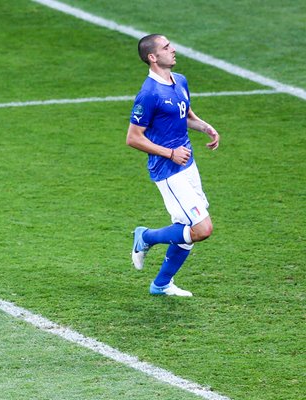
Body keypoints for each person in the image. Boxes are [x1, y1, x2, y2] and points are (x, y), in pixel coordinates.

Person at [126, 34, 220, 297]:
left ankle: (161, 284)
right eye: (166, 48)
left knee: (186, 228)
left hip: (187, 164)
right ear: (153, 57)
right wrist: (169, 153)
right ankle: (146, 237)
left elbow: (185, 115)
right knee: (202, 229)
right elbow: (133, 138)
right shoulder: (148, 94)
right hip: (168, 170)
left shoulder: (180, 81)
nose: (173, 49)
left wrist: (205, 127)